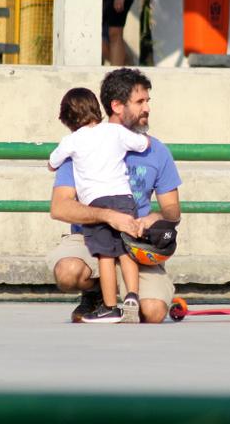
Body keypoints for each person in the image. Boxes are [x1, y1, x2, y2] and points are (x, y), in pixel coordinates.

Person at [47, 68, 182, 323]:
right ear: (117, 106)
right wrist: (108, 216)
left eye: (148, 101)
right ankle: (97, 293)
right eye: (140, 102)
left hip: (135, 241)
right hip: (89, 236)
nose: (147, 108)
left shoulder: (158, 151)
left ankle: (125, 295)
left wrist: (154, 217)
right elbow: (60, 208)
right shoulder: (82, 145)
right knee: (68, 272)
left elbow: (173, 210)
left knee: (153, 313)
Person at [48, 87, 150, 324]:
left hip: (97, 201)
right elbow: (142, 144)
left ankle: (110, 306)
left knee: (105, 255)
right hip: (125, 199)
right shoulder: (114, 131)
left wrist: (53, 163)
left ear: (68, 119)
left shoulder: (72, 140)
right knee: (126, 251)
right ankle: (132, 298)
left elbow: (52, 162)